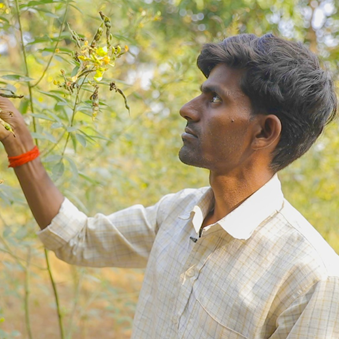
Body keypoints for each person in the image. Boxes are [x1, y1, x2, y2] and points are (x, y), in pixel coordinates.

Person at [0, 33, 338, 338]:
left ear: (264, 132)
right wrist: (21, 148)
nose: (187, 109)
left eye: (215, 99)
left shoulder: (311, 278)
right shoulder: (177, 214)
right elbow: (77, 239)